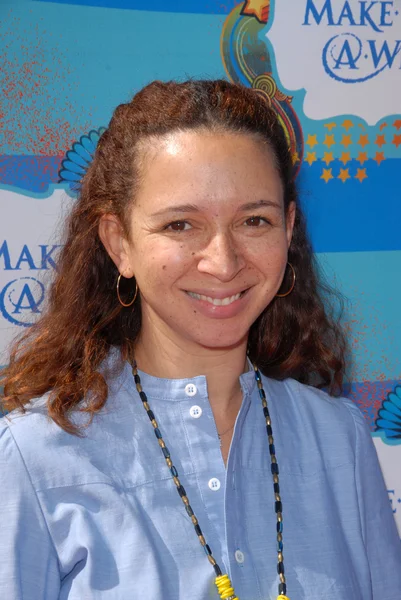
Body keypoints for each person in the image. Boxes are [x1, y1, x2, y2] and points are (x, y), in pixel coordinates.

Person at [0, 80, 400, 600]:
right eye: (181, 224)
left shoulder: (340, 440)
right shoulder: (35, 457)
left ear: (289, 228)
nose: (224, 262)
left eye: (254, 220)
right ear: (119, 243)